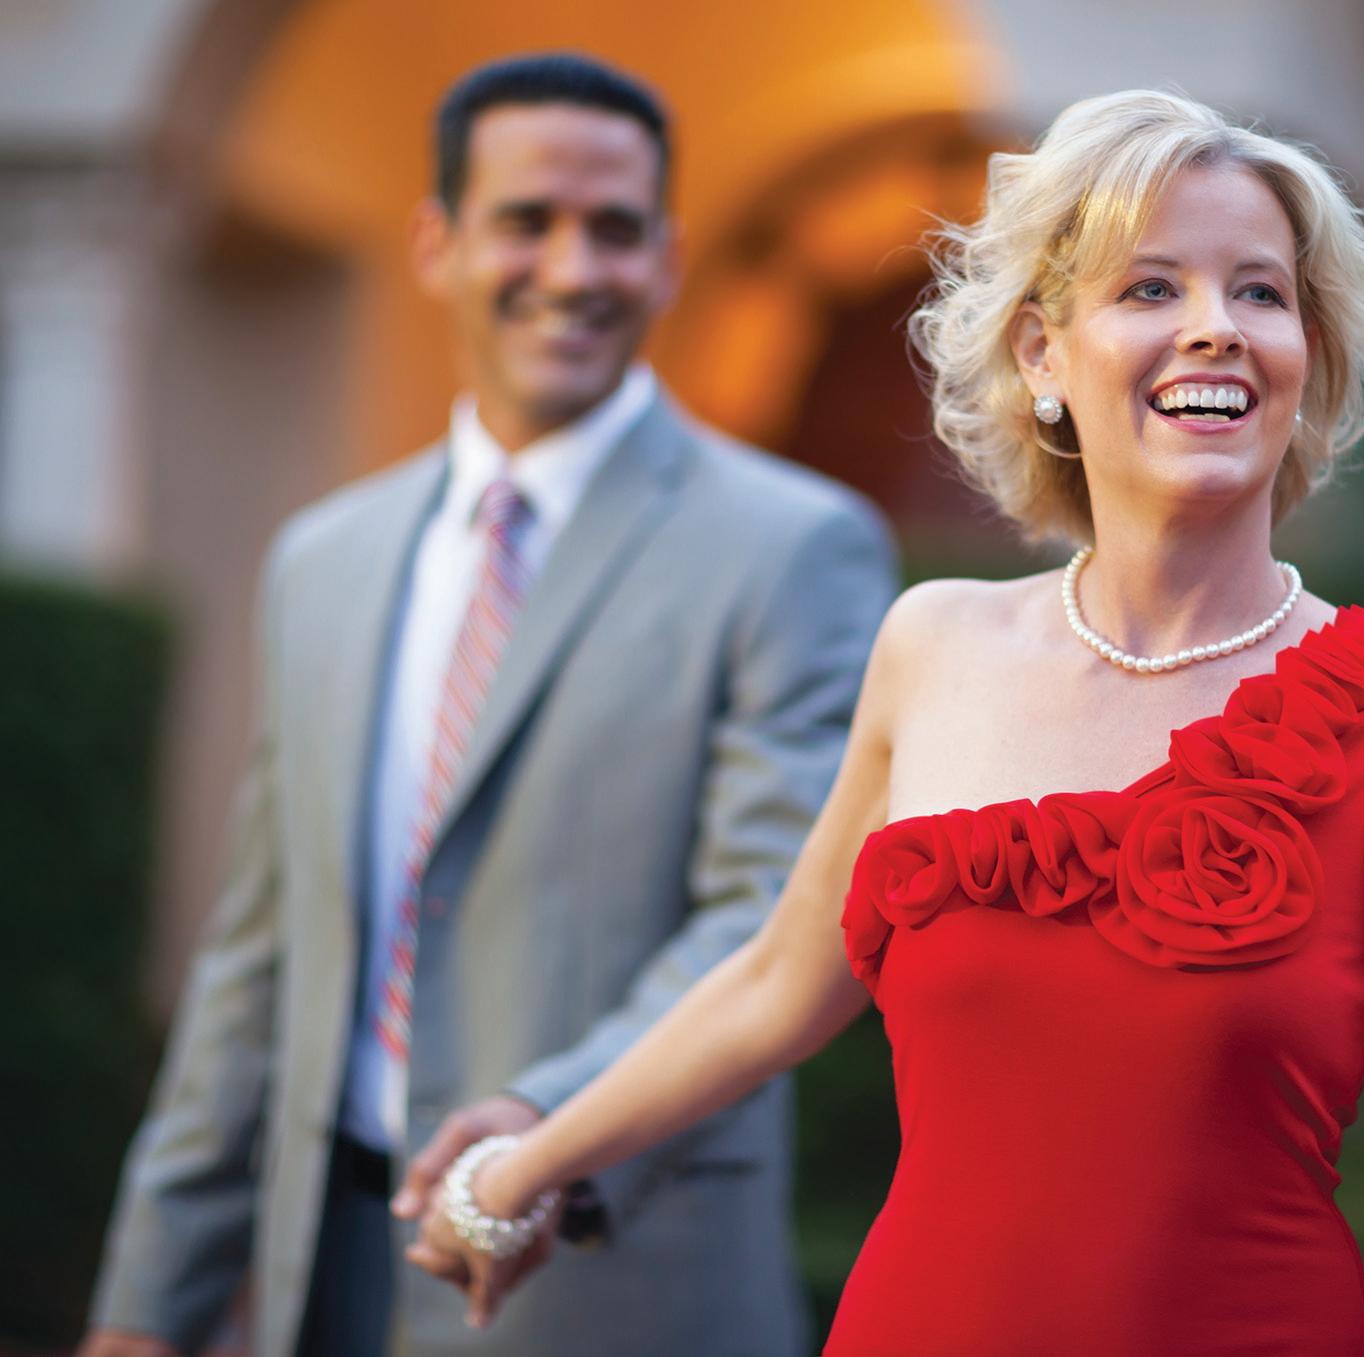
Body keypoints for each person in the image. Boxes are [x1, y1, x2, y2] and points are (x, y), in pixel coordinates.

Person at [407, 89, 1364, 1355]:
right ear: (1042, 357)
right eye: (1149, 289)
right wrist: (519, 1164)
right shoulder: (932, 647)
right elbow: (774, 985)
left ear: (1307, 357)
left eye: (1260, 292)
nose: (1215, 329)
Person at [82, 52, 895, 1357]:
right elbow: (261, 949)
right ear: (437, 242)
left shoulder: (797, 547)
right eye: (526, 220)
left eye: (615, 229)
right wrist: (147, 1304)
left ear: (668, 258)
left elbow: (771, 915)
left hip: (612, 1275)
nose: (573, 270)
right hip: (326, 1272)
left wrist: (544, 1128)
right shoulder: (325, 558)